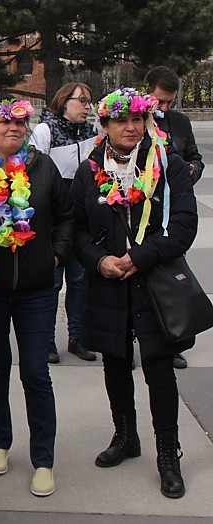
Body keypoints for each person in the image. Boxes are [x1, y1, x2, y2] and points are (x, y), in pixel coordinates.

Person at [71, 88, 196, 498]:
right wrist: (98, 260)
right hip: (108, 284)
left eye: (138, 120)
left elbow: (183, 226)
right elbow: (79, 229)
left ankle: (167, 454)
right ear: (104, 125)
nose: (131, 127)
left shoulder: (168, 164)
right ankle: (126, 436)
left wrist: (137, 258)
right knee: (115, 362)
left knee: (158, 367)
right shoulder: (90, 170)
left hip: (152, 280)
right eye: (122, 120)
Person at [0, 95, 73, 497]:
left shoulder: (42, 168)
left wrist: (56, 254)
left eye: (19, 125)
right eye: (4, 124)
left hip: (38, 289)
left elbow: (65, 215)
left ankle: (43, 459)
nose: (14, 130)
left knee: (35, 373)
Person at [31, 82, 98, 363]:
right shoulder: (45, 130)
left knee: (80, 281)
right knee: (53, 282)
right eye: (81, 100)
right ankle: (46, 340)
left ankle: (77, 337)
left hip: (81, 217)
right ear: (63, 101)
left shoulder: (91, 132)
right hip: (54, 219)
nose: (87, 106)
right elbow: (34, 169)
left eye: (89, 101)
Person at [145, 66, 205, 370]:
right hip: (142, 208)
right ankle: (134, 338)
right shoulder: (136, 120)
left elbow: (195, 156)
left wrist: (189, 171)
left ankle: (173, 337)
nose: (165, 108)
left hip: (173, 207)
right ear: (147, 93)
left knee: (170, 275)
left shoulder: (179, 122)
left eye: (170, 102)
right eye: (160, 101)